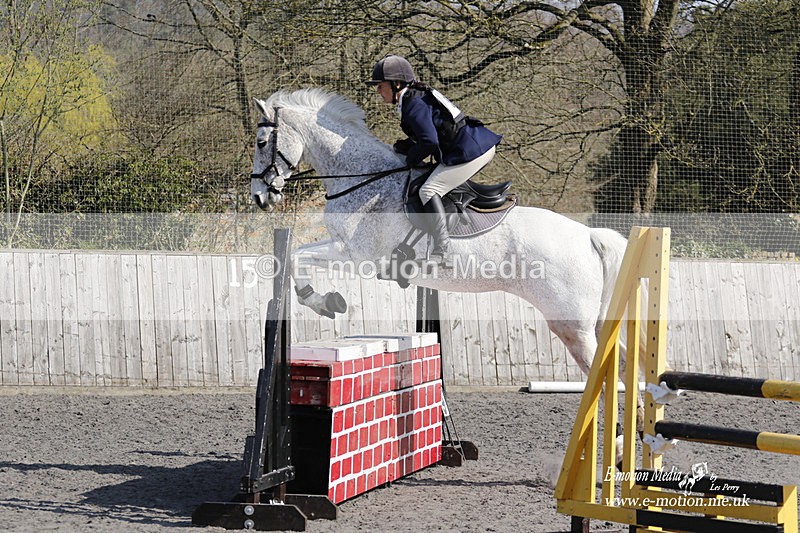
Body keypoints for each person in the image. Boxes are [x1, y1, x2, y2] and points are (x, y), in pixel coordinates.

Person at [366, 54, 502, 266]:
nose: (378, 91)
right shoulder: (414, 98)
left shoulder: (413, 103)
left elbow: (429, 142)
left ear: (396, 84)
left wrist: (411, 159)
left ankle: (442, 250)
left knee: (428, 190)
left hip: (472, 151)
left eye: (381, 85)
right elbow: (430, 134)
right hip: (469, 145)